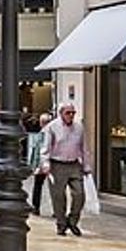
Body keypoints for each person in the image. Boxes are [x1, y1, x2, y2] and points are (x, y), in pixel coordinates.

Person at [40, 102, 92, 237]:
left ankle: (73, 221)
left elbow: (84, 148)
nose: (71, 115)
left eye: (73, 113)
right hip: (57, 164)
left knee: (79, 194)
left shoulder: (79, 127)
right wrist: (45, 164)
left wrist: (87, 166)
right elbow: (45, 148)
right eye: (68, 113)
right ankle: (61, 223)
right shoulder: (52, 127)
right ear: (61, 113)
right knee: (58, 197)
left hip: (74, 164)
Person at [27, 113, 52, 216]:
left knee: (38, 186)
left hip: (42, 164)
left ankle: (36, 207)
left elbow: (36, 151)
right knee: (55, 188)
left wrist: (35, 166)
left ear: (41, 123)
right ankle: (56, 210)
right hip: (52, 163)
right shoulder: (53, 133)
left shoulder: (41, 135)